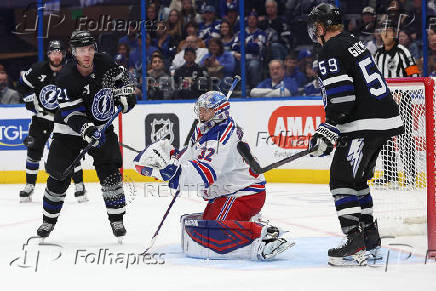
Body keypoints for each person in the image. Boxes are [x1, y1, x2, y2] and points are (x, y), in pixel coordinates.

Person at [133, 90, 293, 260]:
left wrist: (173, 173)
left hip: (243, 195)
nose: (201, 113)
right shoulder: (207, 129)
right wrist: (173, 158)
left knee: (210, 235)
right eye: (200, 109)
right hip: (230, 193)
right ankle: (251, 222)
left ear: (219, 113)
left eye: (206, 110)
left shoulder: (220, 139)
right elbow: (192, 155)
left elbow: (203, 175)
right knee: (203, 227)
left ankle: (263, 238)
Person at [306, 3, 404, 266]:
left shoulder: (330, 49)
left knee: (340, 179)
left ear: (320, 27)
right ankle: (370, 238)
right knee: (357, 181)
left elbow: (343, 99)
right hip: (383, 119)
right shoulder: (352, 42)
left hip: (364, 123)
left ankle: (354, 241)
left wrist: (329, 126)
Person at [36, 31, 136, 240]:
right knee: (58, 175)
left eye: (90, 49)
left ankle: (117, 220)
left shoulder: (106, 62)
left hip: (101, 126)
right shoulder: (65, 77)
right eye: (82, 50)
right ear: (74, 53)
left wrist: (126, 95)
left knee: (110, 171)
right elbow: (70, 113)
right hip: (68, 131)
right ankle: (48, 221)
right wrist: (86, 129)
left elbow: (122, 80)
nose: (87, 54)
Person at [17, 41, 87, 203]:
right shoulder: (37, 69)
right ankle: (29, 185)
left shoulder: (71, 70)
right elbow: (21, 86)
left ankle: (79, 185)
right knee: (33, 150)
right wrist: (27, 98)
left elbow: (82, 89)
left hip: (64, 118)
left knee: (71, 152)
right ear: (49, 54)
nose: (56, 56)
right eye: (53, 52)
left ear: (64, 54)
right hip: (42, 118)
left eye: (59, 52)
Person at [373, 20, 419, 186]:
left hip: (402, 100)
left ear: (394, 33)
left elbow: (414, 76)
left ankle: (411, 176)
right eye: (382, 31)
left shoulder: (403, 52)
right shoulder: (378, 54)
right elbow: (374, 78)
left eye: (388, 30)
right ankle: (390, 175)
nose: (385, 34)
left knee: (404, 138)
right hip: (384, 101)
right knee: (384, 138)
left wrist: (401, 92)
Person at [232, 10, 267, 89]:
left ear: (257, 20)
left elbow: (258, 48)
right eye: (250, 19)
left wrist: (244, 44)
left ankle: (255, 87)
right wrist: (251, 45)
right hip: (241, 58)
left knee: (253, 65)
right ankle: (241, 88)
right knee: (239, 65)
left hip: (255, 58)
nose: (251, 21)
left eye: (253, 19)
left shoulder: (261, 33)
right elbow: (234, 46)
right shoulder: (241, 33)